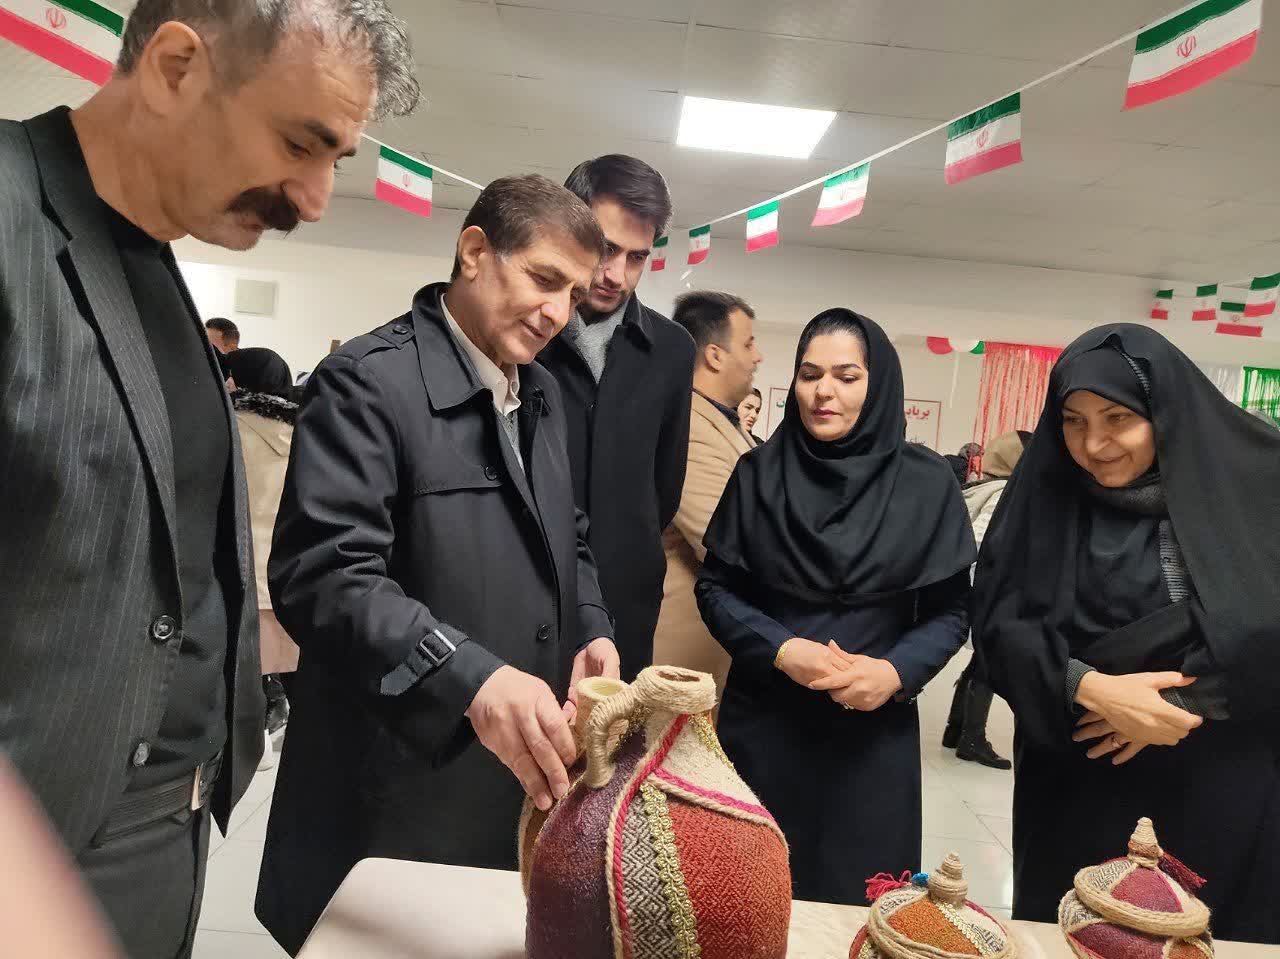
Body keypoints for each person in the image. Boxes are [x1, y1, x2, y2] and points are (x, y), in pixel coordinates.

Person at [0, 1, 418, 954]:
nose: (314, 198)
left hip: (163, 840)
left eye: (336, 161)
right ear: (177, 66)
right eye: (299, 142)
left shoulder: (154, 260)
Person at [256, 175, 621, 955]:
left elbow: (571, 533)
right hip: (394, 778)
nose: (559, 312)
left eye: (575, 295)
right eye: (543, 279)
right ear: (475, 251)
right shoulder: (367, 383)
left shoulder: (544, 396)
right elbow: (323, 574)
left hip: (511, 770)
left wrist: (590, 623)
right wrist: (469, 675)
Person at [972, 324, 1280, 942]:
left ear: (1163, 411)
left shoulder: (1255, 488)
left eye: (1118, 418)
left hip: (1220, 768)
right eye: (1073, 420)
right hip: (1081, 767)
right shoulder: (1047, 498)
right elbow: (999, 620)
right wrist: (1088, 687)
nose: (1094, 444)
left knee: (1209, 933)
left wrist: (1180, 704)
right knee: (1080, 930)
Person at [696, 309, 976, 905]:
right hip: (766, 722)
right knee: (747, 897)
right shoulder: (758, 475)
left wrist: (897, 672)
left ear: (879, 386)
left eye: (847, 376)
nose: (824, 391)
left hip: (872, 733)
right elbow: (716, 588)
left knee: (862, 897)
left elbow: (953, 610)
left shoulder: (927, 486)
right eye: (809, 373)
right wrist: (782, 649)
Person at [539, 154, 696, 681]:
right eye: (605, 249)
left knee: (611, 750)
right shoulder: (523, 339)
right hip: (527, 588)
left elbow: (664, 489)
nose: (615, 275)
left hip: (626, 595)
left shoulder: (672, 350)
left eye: (637, 257)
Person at [655, 291, 762, 695]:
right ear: (715, 355)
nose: (757, 357)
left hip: (715, 652)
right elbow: (728, 546)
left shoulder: (726, 424)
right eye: (749, 343)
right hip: (685, 655)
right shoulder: (688, 427)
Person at [223, 347, 302, 770]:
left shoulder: (230, 426)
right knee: (275, 661)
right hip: (284, 566)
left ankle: (249, 734)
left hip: (237, 562)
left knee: (236, 663)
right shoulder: (304, 433)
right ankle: (274, 718)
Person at [941, 429, 1032, 770]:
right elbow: (979, 542)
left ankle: (956, 728)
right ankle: (972, 739)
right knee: (989, 662)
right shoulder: (1004, 494)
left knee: (982, 659)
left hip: (979, 587)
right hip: (991, 589)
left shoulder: (983, 485)